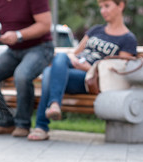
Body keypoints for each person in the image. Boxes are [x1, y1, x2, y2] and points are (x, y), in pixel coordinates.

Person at [28, 0, 137, 141]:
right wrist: (75, 61)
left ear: (120, 5)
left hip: (90, 79)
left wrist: (90, 68)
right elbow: (76, 52)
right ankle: (53, 107)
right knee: (61, 57)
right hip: (71, 69)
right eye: (101, 7)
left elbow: (117, 70)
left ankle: (43, 125)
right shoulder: (96, 30)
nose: (103, 11)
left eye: (107, 6)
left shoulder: (128, 39)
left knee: (49, 73)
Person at [0, 0, 54, 137]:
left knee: (22, 75)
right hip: (13, 51)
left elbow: (45, 25)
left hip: (40, 48)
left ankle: (23, 124)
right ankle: (5, 122)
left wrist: (18, 35)